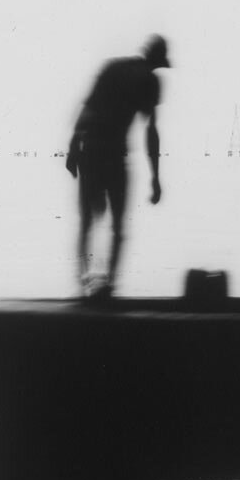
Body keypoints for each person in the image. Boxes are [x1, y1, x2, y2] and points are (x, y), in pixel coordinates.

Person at [64, 34, 169, 297]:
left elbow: (87, 108)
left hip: (91, 151)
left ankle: (85, 285)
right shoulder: (149, 80)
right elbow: (151, 131)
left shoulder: (112, 67)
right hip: (112, 155)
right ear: (157, 59)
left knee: (89, 221)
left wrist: (73, 148)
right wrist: (155, 178)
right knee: (118, 226)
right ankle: (108, 286)